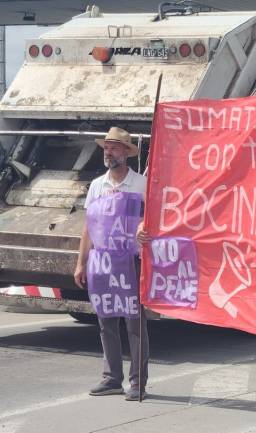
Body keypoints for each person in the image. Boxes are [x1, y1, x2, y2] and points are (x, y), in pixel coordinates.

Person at [74, 126, 149, 401]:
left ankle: (138, 382)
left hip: (131, 261)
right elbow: (88, 228)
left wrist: (143, 227)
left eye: (114, 147)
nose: (109, 152)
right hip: (103, 262)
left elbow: (152, 218)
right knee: (106, 321)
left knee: (134, 323)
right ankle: (111, 378)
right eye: (106, 147)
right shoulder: (97, 185)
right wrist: (80, 263)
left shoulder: (141, 184)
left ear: (126, 153)